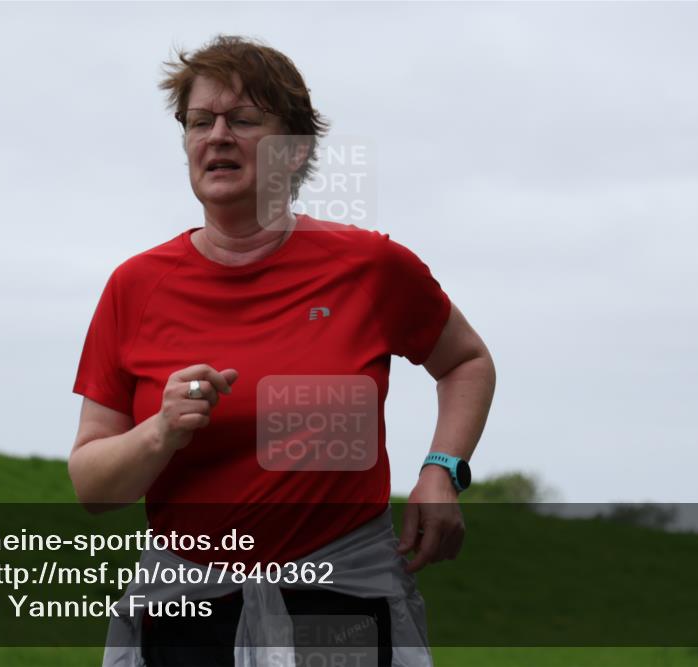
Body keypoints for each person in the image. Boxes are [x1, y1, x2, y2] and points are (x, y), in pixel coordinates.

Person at [69, 34, 496, 667]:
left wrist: (443, 468)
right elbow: (90, 485)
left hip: (339, 599)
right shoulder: (135, 286)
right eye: (199, 121)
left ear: (296, 152)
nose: (217, 135)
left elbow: (465, 362)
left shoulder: (370, 266)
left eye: (243, 119)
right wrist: (159, 433)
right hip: (188, 614)